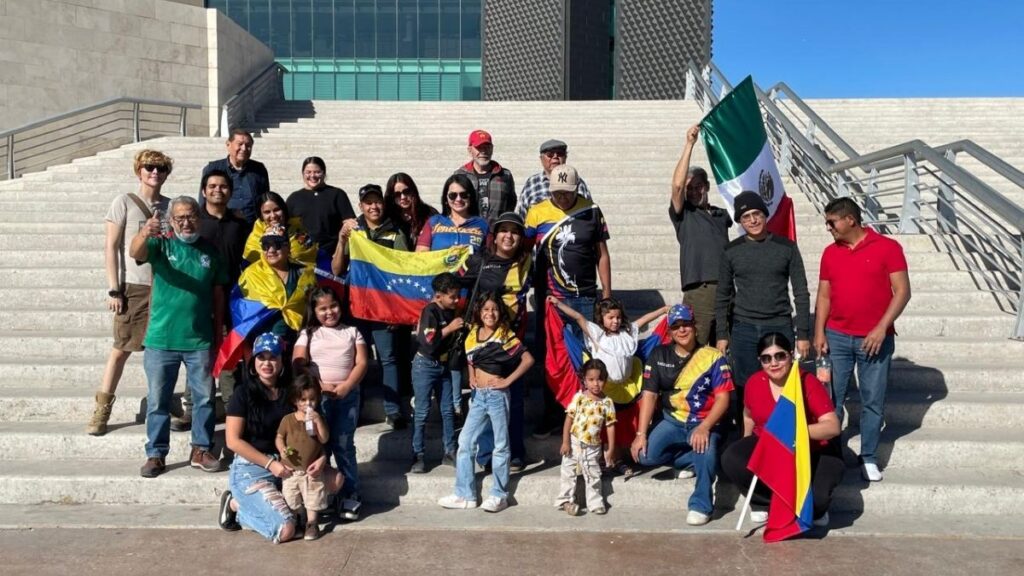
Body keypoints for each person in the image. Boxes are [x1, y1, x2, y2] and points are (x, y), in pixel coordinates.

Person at [813, 197, 911, 482]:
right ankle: (831, 455)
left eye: (832, 222)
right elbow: (824, 295)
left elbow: (902, 291)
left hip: (875, 340)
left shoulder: (888, 248)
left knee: (872, 400)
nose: (828, 227)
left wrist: (882, 327)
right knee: (831, 399)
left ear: (850, 220)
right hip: (837, 337)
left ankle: (868, 456)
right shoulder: (830, 253)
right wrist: (819, 331)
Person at [130, 196, 226, 478]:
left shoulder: (211, 250)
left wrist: (219, 332)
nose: (186, 222)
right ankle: (156, 454)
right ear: (171, 220)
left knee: (204, 399)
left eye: (191, 216)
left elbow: (218, 294)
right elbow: (136, 251)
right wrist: (145, 232)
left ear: (200, 217)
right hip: (161, 339)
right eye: (180, 217)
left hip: (200, 340)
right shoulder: (161, 244)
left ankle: (201, 449)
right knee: (159, 400)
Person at [218, 333, 343, 543]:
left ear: (281, 360)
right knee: (286, 530)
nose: (267, 363)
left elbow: (314, 431)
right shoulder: (243, 393)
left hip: (291, 461)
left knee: (335, 480)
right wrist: (270, 464)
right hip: (254, 467)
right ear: (253, 361)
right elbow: (233, 441)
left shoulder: (292, 392)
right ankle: (235, 505)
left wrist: (322, 457)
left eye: (273, 357)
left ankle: (286, 505)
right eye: (261, 357)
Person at [88, 149, 171, 436]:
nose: (154, 173)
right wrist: (114, 289)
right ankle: (102, 408)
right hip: (134, 287)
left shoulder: (171, 207)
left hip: (163, 288)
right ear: (139, 170)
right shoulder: (123, 202)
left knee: (163, 350)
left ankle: (162, 401)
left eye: (160, 168)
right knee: (121, 348)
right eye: (149, 167)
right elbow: (111, 247)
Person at [721, 332, 843, 527]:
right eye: (766, 358)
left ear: (790, 355)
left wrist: (793, 433)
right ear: (759, 360)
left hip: (814, 450)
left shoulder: (807, 382)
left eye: (780, 356)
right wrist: (745, 442)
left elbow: (832, 427)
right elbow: (748, 415)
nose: (774, 363)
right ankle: (764, 502)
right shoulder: (754, 382)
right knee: (732, 457)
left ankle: (801, 505)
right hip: (771, 447)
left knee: (817, 504)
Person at [525, 164, 611, 436]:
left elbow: (602, 254)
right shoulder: (536, 212)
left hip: (585, 297)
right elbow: (523, 253)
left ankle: (585, 413)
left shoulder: (591, 210)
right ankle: (552, 414)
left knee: (583, 358)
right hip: (551, 300)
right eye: (557, 192)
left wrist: (607, 293)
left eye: (567, 192)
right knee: (553, 358)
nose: (562, 197)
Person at [630, 304, 733, 526]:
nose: (682, 330)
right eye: (676, 326)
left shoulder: (713, 357)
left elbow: (724, 399)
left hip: (704, 423)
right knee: (645, 455)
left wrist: (705, 427)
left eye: (686, 324)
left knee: (704, 448)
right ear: (669, 332)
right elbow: (649, 395)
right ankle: (692, 462)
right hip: (673, 421)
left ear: (695, 327)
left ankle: (701, 504)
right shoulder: (659, 354)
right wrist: (641, 433)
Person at [715, 190, 811, 423]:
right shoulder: (731, 250)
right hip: (744, 327)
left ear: (765, 215)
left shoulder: (786, 247)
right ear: (740, 221)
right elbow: (722, 295)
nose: (753, 220)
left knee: (782, 381)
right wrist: (721, 334)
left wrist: (803, 334)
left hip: (778, 325)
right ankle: (747, 436)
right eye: (746, 217)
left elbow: (801, 292)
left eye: (756, 214)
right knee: (745, 385)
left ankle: (782, 433)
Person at [548, 296, 667, 475]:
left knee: (617, 425)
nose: (615, 321)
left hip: (627, 388)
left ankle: (616, 460)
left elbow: (644, 319)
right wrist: (558, 304)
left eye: (618, 317)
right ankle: (597, 461)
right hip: (603, 389)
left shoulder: (628, 333)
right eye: (610, 317)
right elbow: (579, 317)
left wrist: (663, 310)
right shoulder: (597, 334)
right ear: (601, 318)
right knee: (600, 426)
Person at [438, 292, 534, 513]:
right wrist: (471, 375)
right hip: (479, 396)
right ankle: (465, 494)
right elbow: (471, 358)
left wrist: (508, 381)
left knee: (501, 445)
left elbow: (528, 359)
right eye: (486, 310)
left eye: (494, 309)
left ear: (500, 312)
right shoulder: (473, 333)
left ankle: (500, 495)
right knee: (465, 441)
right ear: (479, 313)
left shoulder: (504, 334)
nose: (490, 313)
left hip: (497, 395)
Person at [333, 184, 412, 430]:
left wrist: (397, 310)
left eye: (377, 201)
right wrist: (341, 239)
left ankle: (393, 409)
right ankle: (356, 409)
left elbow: (404, 271)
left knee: (388, 359)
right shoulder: (353, 232)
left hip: (383, 309)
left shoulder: (395, 232)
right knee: (357, 360)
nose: (373, 206)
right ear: (361, 206)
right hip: (356, 307)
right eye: (368, 202)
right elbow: (337, 269)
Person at [457, 212, 532, 470]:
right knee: (485, 400)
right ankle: (487, 455)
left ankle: (516, 453)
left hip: (512, 340)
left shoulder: (527, 261)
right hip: (483, 343)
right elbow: (451, 281)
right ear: (495, 235)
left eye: (514, 231)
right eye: (503, 230)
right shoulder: (479, 260)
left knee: (515, 399)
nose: (508, 236)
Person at [292, 286, 369, 521]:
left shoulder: (353, 332)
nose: (329, 312)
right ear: (314, 311)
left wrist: (346, 386)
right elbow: (297, 361)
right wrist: (320, 385)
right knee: (317, 446)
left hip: (347, 397)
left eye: (333, 306)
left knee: (344, 445)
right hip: (317, 399)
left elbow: (362, 363)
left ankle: (350, 493)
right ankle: (318, 496)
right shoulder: (309, 333)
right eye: (322, 308)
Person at [418, 173, 490, 419]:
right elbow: (420, 261)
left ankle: (459, 404)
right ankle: (438, 402)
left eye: (463, 194)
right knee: (439, 349)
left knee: (462, 353)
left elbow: (490, 261)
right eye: (453, 195)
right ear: (446, 198)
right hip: (437, 302)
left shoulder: (482, 225)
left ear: (471, 197)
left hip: (468, 301)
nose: (458, 199)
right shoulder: (434, 222)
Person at [670, 124, 732, 346]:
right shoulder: (684, 214)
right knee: (696, 347)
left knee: (725, 347)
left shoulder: (722, 214)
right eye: (690, 189)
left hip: (727, 288)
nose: (694, 192)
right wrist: (689, 144)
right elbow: (676, 187)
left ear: (706, 186)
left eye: (698, 187)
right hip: (700, 290)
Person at [197, 169, 252, 412]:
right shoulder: (195, 222)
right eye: (212, 186)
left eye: (223, 186)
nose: (217, 190)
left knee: (230, 350)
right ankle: (194, 406)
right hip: (201, 297)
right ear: (203, 191)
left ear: (230, 192)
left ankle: (231, 407)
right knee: (200, 354)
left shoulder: (240, 223)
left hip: (234, 297)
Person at [410, 273, 464, 474]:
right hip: (425, 365)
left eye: (457, 295)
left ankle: (450, 451)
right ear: (439, 296)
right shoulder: (430, 311)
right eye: (452, 297)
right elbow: (429, 341)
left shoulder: (452, 310)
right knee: (422, 411)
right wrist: (450, 328)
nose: (456, 300)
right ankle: (418, 454)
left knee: (448, 410)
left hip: (444, 366)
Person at [236, 223, 318, 349]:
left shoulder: (304, 274)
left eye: (277, 245)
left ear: (288, 247)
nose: (271, 250)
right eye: (265, 245)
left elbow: (313, 309)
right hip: (263, 348)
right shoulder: (250, 275)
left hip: (299, 343)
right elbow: (242, 317)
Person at [554, 359, 616, 516]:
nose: (596, 384)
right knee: (568, 472)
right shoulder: (579, 398)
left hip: (593, 446)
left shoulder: (607, 403)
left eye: (600, 379)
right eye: (591, 379)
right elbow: (569, 419)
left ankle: (595, 503)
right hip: (574, 443)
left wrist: (610, 448)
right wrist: (566, 441)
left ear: (605, 380)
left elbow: (610, 426)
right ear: (584, 380)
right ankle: (566, 500)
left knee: (593, 474)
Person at [275, 374, 330, 541]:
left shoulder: (318, 418)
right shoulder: (287, 420)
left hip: (311, 469)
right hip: (291, 470)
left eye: (312, 399)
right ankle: (299, 519)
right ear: (294, 400)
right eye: (303, 400)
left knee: (313, 496)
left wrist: (318, 421)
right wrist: (282, 449)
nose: (308, 404)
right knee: (291, 497)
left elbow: (324, 439)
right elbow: (279, 437)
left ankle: (312, 523)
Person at [286, 156, 357, 256]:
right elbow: (287, 225)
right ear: (303, 174)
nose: (313, 176)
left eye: (317, 172)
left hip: (331, 253)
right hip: (302, 254)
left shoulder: (337, 194)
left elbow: (349, 222)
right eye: (308, 172)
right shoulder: (294, 198)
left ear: (324, 173)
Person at [200, 128, 269, 224]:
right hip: (223, 225)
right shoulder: (213, 169)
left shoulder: (259, 169)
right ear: (228, 145)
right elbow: (203, 201)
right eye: (240, 144)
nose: (244, 148)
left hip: (252, 228)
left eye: (248, 145)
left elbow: (266, 199)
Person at [516, 139, 592, 218]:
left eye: (560, 153)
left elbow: (589, 210)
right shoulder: (532, 182)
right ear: (541, 159)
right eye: (550, 154)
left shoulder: (576, 181)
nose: (555, 157)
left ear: (565, 157)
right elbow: (522, 215)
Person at [454, 129, 516, 223]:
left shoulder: (505, 175)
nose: (483, 151)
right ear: (470, 150)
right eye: (479, 148)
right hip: (468, 231)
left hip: (494, 233)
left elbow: (511, 203)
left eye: (487, 147)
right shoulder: (460, 175)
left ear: (492, 148)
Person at [243, 191, 318, 267]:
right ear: (261, 215)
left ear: (284, 210)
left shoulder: (297, 229)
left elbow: (313, 255)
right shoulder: (255, 237)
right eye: (267, 212)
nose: (273, 215)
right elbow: (250, 266)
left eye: (276, 210)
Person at [384, 172, 438, 246]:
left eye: (406, 192)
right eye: (397, 194)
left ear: (413, 191)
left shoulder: (429, 214)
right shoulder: (388, 217)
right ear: (391, 196)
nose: (403, 197)